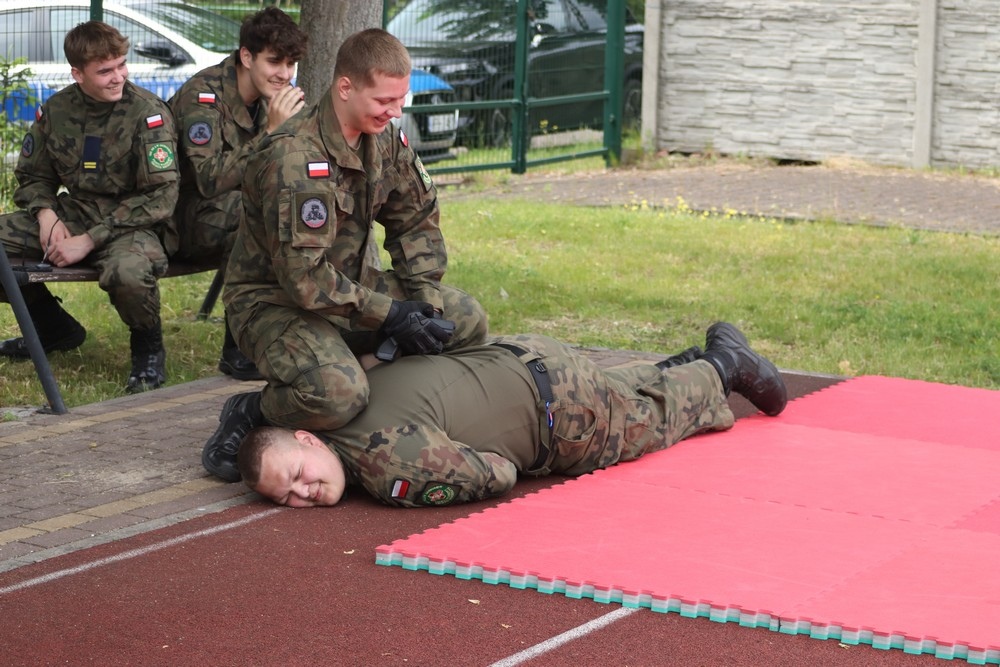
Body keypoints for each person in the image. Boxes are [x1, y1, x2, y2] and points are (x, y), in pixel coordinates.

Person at [202, 28, 489, 479]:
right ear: (345, 87)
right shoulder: (295, 156)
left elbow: (415, 222)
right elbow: (303, 279)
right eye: (384, 101)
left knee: (463, 319)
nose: (395, 112)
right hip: (274, 304)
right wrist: (392, 316)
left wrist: (424, 303)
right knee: (336, 394)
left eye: (400, 99)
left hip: (352, 292)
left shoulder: (385, 140)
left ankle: (390, 403)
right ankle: (254, 409)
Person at [228, 322, 788, 507]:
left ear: (308, 439)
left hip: (563, 414)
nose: (302, 492)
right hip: (528, 357)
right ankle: (678, 367)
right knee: (619, 395)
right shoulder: (341, 397)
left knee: (649, 425)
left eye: (296, 473)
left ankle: (723, 366)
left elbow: (498, 474)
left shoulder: (385, 465)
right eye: (287, 496)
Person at [0, 21, 179, 393]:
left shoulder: (147, 114)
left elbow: (160, 196)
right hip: (75, 212)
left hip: (132, 223)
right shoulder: (57, 110)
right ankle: (53, 328)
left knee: (128, 273)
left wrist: (89, 240)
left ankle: (148, 351)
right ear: (77, 74)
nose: (118, 77)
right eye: (105, 71)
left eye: (122, 65)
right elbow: (34, 175)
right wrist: (46, 215)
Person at [168, 7, 307, 381]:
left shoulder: (269, 98)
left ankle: (289, 332)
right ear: (247, 56)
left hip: (229, 207)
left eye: (291, 63)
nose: (284, 73)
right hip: (180, 217)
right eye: (274, 61)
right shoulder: (203, 96)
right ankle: (239, 347)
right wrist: (271, 133)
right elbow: (208, 180)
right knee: (252, 217)